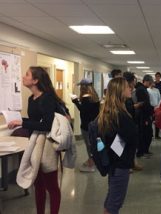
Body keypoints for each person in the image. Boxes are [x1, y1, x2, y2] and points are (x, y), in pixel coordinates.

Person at [8, 66, 65, 214]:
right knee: (38, 184)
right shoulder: (31, 98)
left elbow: (46, 125)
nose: (23, 76)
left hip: (47, 146)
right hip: (34, 144)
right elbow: (35, 121)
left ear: (35, 80)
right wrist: (19, 121)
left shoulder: (47, 98)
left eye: (27, 74)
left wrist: (23, 123)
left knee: (51, 186)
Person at [98, 77, 138, 214]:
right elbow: (117, 142)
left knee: (111, 201)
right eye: (127, 87)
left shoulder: (114, 112)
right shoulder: (119, 115)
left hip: (116, 163)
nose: (130, 88)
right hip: (119, 165)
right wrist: (123, 155)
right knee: (114, 204)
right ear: (120, 91)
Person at [71, 78, 100, 172]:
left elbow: (83, 110)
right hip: (94, 124)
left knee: (89, 145)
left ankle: (91, 163)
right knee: (93, 143)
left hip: (86, 126)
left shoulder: (86, 98)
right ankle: (94, 160)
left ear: (83, 87)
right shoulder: (94, 97)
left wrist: (75, 101)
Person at [135, 75, 154, 158]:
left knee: (148, 133)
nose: (150, 84)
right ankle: (141, 152)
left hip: (146, 114)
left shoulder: (144, 89)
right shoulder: (141, 90)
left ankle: (145, 150)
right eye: (149, 82)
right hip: (143, 115)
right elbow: (144, 104)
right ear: (145, 81)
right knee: (143, 134)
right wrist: (151, 111)